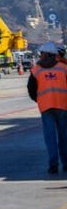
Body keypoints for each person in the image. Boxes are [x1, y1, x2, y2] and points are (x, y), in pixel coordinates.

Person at [28, 42, 67, 173]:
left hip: (46, 107)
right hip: (62, 106)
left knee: (50, 137)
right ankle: (66, 163)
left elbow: (31, 89)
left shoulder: (36, 70)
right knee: (64, 136)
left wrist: (39, 99)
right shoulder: (63, 68)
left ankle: (53, 164)